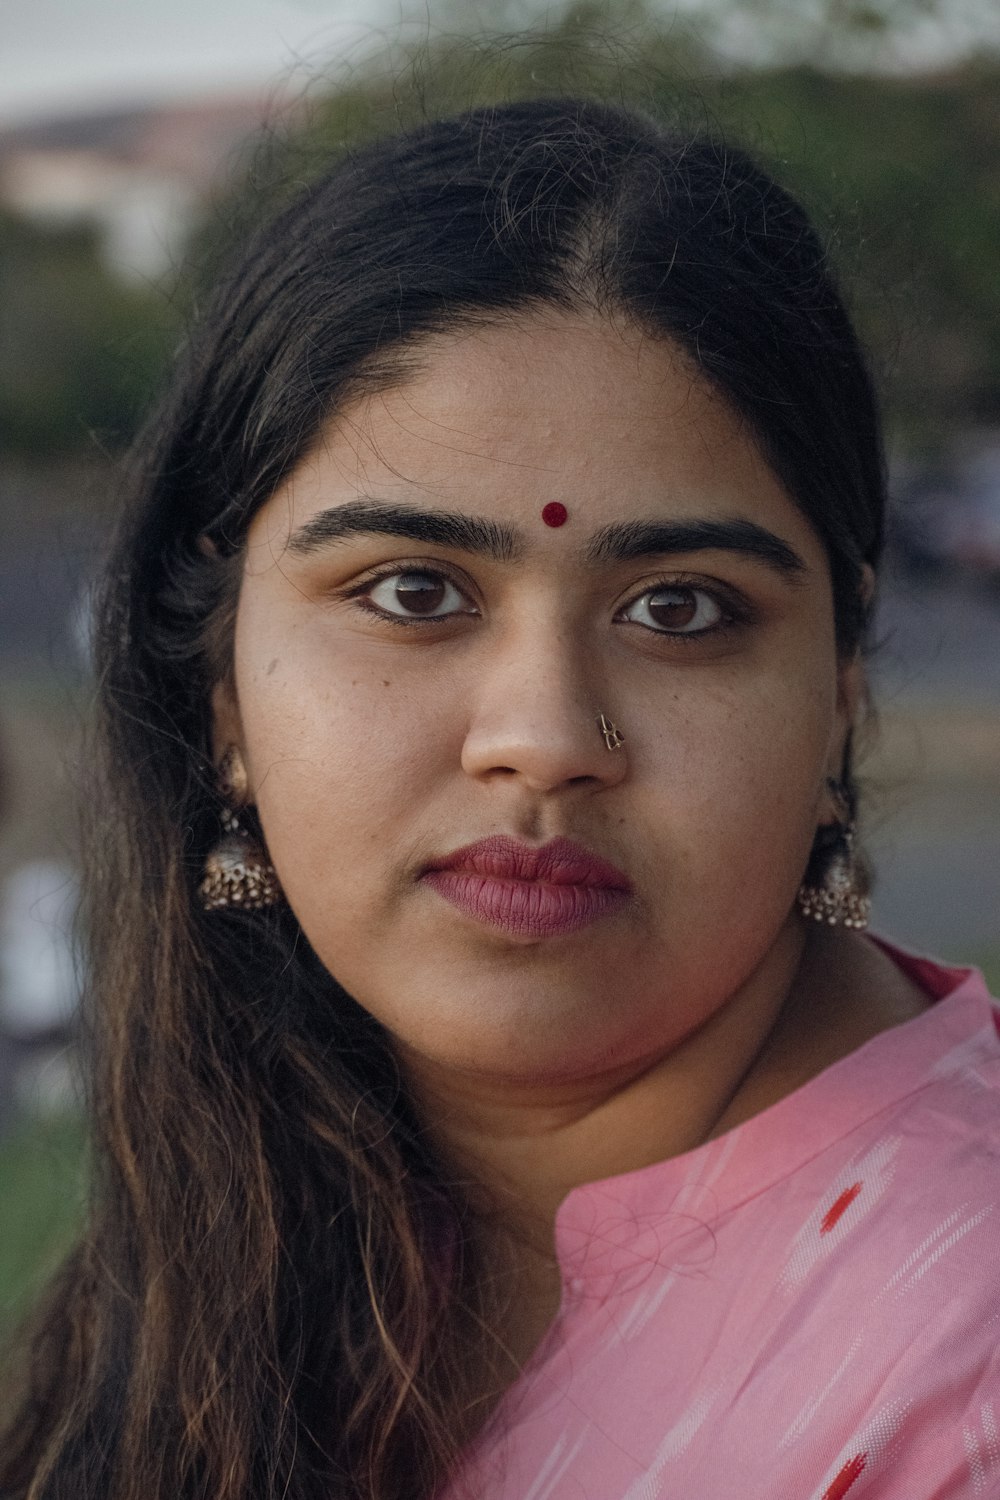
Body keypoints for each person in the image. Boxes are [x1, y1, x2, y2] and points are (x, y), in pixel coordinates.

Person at [2, 96, 998, 1500]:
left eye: (681, 607)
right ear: (223, 686)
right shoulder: (260, 1196)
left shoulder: (958, 1394)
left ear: (839, 687)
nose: (541, 740)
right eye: (413, 592)